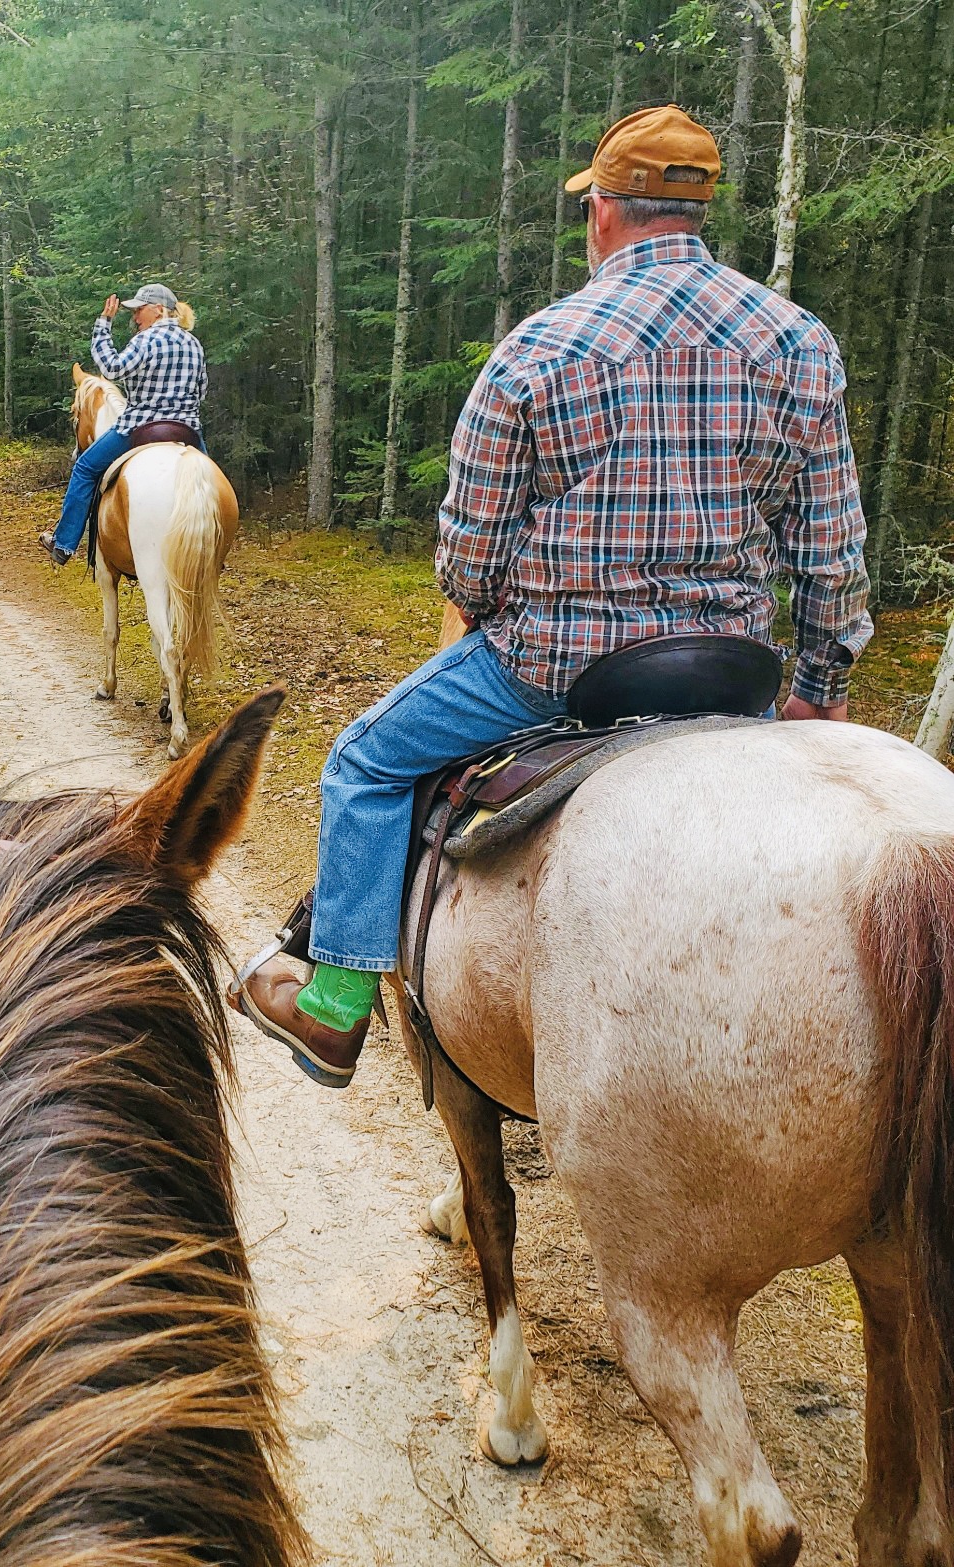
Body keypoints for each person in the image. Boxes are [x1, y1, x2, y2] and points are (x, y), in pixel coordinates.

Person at [231, 103, 873, 1089]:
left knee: (363, 760)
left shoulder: (540, 346)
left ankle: (336, 1006)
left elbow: (470, 558)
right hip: (731, 672)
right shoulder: (800, 342)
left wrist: (489, 606)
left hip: (557, 670)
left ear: (603, 212)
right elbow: (830, 549)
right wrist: (820, 688)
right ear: (696, 211)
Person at [40, 282, 208, 564]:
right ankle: (212, 548)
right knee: (208, 484)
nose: (135, 316)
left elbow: (112, 368)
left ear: (158, 310)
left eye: (139, 310)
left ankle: (64, 544)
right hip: (187, 429)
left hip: (141, 425)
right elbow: (201, 390)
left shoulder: (146, 340)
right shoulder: (194, 344)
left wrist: (103, 325)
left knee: (85, 468)